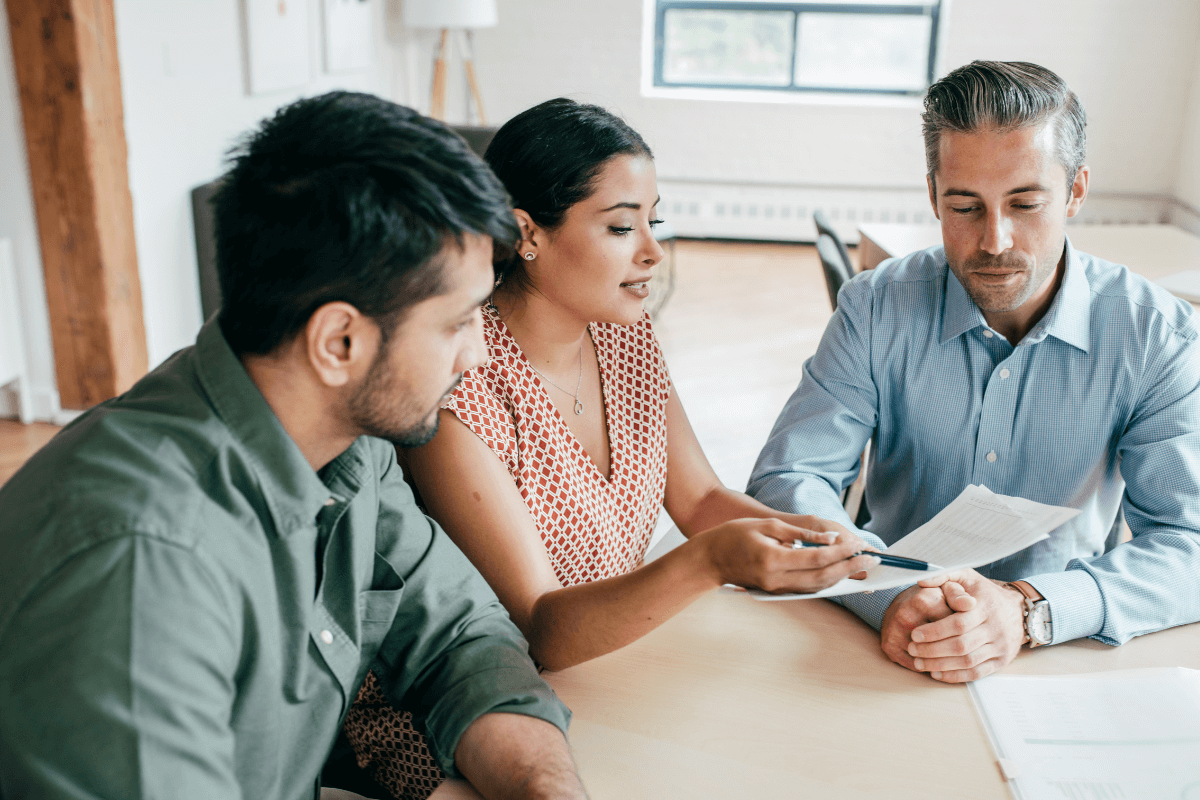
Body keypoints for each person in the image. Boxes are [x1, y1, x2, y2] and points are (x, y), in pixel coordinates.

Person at [0, 92, 588, 800]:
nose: (480, 355)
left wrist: (543, 787)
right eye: (458, 324)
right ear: (338, 342)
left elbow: (460, 637)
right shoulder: (141, 567)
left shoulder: (349, 440)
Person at [343, 98, 880, 797]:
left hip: (609, 674)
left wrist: (815, 538)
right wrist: (712, 560)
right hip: (453, 715)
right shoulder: (460, 382)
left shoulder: (623, 333)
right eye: (622, 227)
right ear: (527, 234)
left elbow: (700, 499)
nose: (652, 251)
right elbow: (542, 629)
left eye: (654, 221)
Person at [748, 60, 1200, 684]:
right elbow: (788, 477)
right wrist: (886, 591)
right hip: (885, 634)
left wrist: (1029, 609)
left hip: (1062, 650)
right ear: (933, 194)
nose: (994, 241)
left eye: (1026, 203)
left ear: (1075, 190)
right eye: (964, 206)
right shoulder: (875, 307)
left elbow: (1189, 541)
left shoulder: (1158, 336)